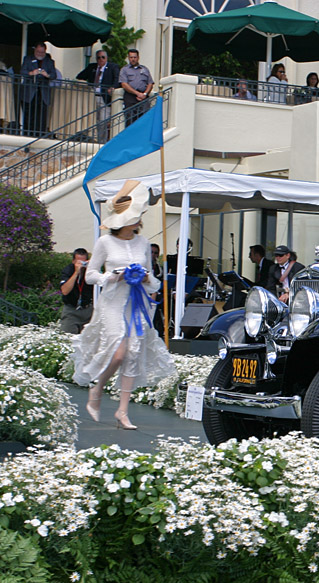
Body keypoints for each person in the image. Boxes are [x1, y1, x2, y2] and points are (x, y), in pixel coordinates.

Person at [71, 179, 175, 430]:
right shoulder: (105, 243)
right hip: (113, 302)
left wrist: (146, 277)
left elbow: (153, 281)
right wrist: (114, 275)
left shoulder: (143, 243)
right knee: (118, 351)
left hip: (137, 303)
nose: (138, 220)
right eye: (134, 216)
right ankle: (98, 389)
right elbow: (91, 275)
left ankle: (122, 410)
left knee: (133, 353)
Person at [76, 49, 119, 142]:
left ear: (106, 58)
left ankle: (101, 141)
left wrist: (112, 88)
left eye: (103, 57)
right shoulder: (92, 67)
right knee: (92, 119)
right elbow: (80, 76)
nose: (100, 59)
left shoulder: (112, 67)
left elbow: (117, 80)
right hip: (92, 97)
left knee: (103, 121)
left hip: (104, 98)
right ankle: (92, 139)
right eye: (98, 58)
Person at [19, 42, 55, 137]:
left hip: (43, 93)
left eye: (42, 52)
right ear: (35, 50)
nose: (40, 54)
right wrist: (32, 73)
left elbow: (54, 75)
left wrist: (46, 75)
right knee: (28, 115)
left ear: (45, 52)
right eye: (38, 52)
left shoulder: (49, 61)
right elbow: (22, 71)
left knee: (41, 116)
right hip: (29, 91)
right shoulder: (28, 59)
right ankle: (27, 136)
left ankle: (40, 136)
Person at [58, 248, 94, 334]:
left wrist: (91, 268)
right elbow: (65, 291)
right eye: (79, 262)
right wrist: (76, 273)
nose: (81, 265)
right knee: (68, 337)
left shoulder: (90, 272)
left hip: (87, 309)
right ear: (73, 261)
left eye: (84, 262)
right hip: (71, 309)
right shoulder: (68, 270)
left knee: (88, 339)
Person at [119, 48, 154, 125]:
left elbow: (150, 83)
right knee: (130, 121)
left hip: (144, 98)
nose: (133, 59)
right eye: (131, 57)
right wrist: (137, 93)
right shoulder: (124, 70)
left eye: (134, 57)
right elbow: (124, 84)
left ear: (138, 57)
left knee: (144, 120)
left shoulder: (145, 69)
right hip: (130, 97)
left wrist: (144, 94)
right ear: (128, 58)